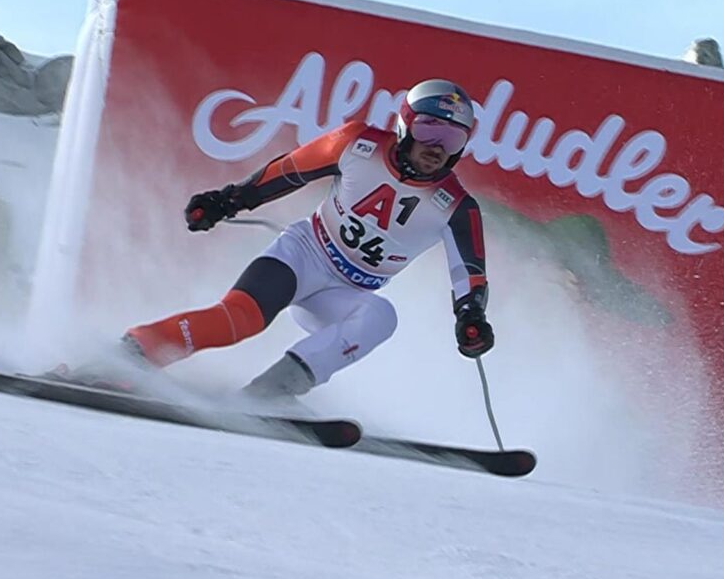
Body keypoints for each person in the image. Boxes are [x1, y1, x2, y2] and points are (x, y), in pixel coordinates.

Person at [118, 78, 495, 401]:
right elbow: (288, 170)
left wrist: (470, 316)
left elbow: (469, 275)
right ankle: (136, 351)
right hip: (302, 256)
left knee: (381, 317)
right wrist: (226, 201)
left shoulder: (458, 207)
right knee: (240, 319)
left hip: (344, 294)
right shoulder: (357, 143)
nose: (438, 146)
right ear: (406, 124)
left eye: (453, 136)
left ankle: (270, 393)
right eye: (430, 129)